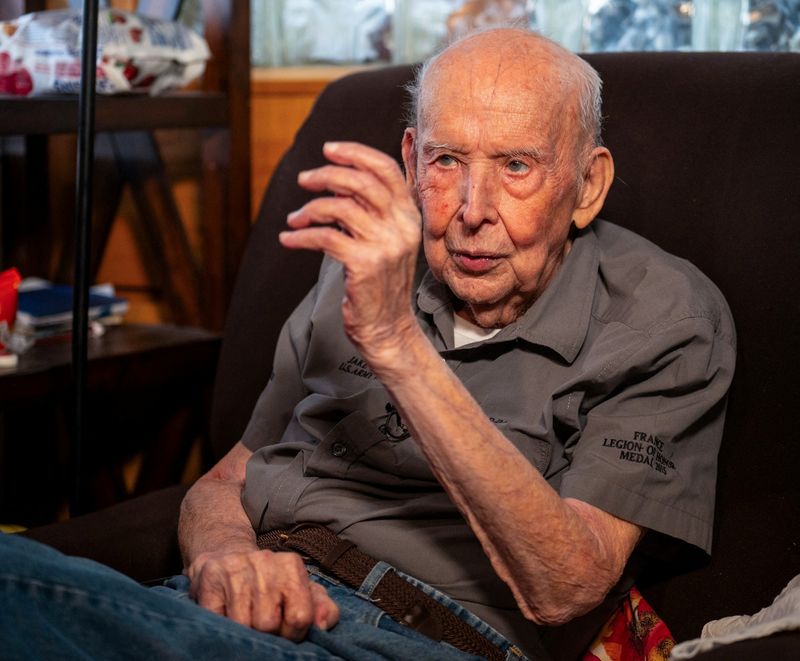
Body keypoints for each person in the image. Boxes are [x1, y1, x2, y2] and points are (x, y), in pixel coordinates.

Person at [0, 27, 735, 660]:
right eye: (447, 162)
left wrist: (395, 344)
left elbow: (567, 584)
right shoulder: (367, 262)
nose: (473, 212)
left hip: (419, 636)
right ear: (413, 160)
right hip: (243, 610)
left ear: (587, 185)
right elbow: (226, 481)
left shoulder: (665, 316)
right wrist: (227, 555)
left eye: (516, 166)